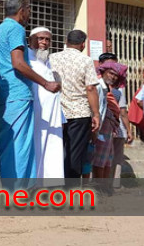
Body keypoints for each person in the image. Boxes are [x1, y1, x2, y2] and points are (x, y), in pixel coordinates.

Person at [0, 0, 60, 180]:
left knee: (7, 145)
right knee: (20, 145)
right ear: (22, 10)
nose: (30, 14)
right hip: (17, 94)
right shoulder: (16, 29)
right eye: (29, 10)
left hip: (1, 96)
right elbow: (18, 63)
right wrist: (46, 83)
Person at [50, 30, 101, 179]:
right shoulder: (85, 60)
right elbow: (90, 88)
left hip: (56, 113)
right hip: (79, 114)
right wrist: (96, 114)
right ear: (83, 44)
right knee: (75, 154)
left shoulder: (52, 58)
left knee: (56, 151)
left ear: (66, 41)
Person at [27, 26, 64, 180]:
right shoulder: (26, 59)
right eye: (40, 38)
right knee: (37, 147)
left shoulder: (46, 61)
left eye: (47, 39)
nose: (44, 42)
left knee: (52, 148)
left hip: (52, 115)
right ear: (30, 40)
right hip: (36, 113)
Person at [98, 53, 132, 184]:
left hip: (115, 128)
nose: (113, 74)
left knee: (111, 157)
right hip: (101, 127)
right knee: (100, 158)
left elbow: (123, 111)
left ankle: (111, 184)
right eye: (110, 69)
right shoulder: (97, 85)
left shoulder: (117, 91)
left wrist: (128, 130)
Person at [92, 61, 127, 181]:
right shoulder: (98, 85)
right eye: (110, 73)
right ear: (103, 72)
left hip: (108, 125)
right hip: (102, 124)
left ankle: (104, 187)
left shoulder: (108, 89)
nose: (112, 77)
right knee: (100, 159)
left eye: (115, 75)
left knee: (107, 158)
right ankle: (100, 187)